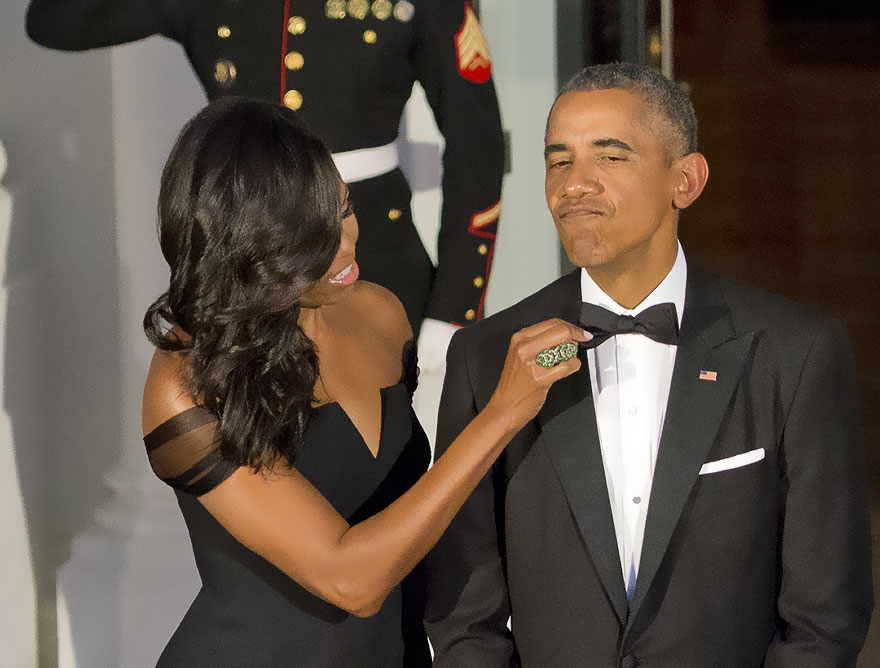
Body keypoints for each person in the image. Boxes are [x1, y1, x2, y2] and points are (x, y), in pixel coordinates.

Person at [424, 62, 873, 667]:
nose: (574, 184)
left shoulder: (796, 353)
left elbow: (825, 618)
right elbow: (462, 612)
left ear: (684, 180)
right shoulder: (485, 355)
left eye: (609, 157)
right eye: (559, 161)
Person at [140, 96, 585, 667]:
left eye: (344, 209)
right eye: (310, 235)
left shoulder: (379, 314)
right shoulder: (185, 383)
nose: (346, 243)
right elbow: (350, 578)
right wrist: (500, 414)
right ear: (247, 244)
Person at [25, 0, 504, 356]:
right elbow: (56, 21)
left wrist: (453, 314)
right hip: (241, 272)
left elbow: (477, 148)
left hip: (370, 263)